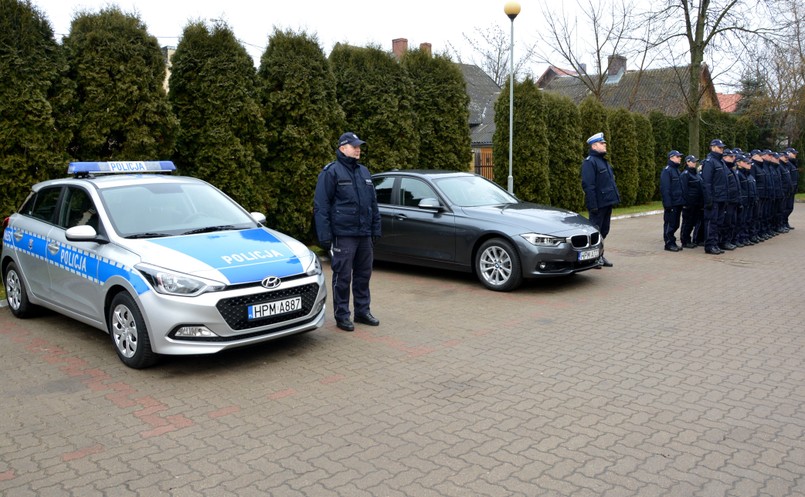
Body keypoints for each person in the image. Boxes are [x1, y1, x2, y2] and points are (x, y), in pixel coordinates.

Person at [313, 132, 381, 332]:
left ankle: (362, 311)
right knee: (342, 277)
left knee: (363, 275)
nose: (358, 149)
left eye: (359, 146)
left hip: (364, 234)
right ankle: (342, 315)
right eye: (354, 146)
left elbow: (373, 205)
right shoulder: (331, 172)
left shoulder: (364, 172)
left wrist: (375, 229)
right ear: (343, 148)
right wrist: (325, 236)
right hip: (343, 235)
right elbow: (321, 207)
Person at [581, 132, 620, 267]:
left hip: (607, 202)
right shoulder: (589, 162)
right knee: (595, 233)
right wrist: (593, 205)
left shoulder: (603, 161)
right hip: (598, 204)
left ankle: (599, 256)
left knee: (604, 230)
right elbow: (588, 185)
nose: (605, 145)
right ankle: (592, 258)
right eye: (602, 143)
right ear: (594, 145)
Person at [700, 139, 730, 254]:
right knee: (711, 222)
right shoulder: (710, 162)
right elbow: (706, 182)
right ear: (712, 147)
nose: (721, 149)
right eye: (719, 147)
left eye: (722, 147)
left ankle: (715, 243)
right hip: (714, 198)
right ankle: (709, 245)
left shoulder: (721, 162)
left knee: (718, 222)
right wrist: (709, 199)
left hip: (722, 198)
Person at [659, 150, 685, 251]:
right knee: (670, 223)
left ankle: (672, 241)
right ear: (671, 157)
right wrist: (668, 204)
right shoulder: (667, 170)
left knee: (675, 224)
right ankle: (669, 243)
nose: (680, 158)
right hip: (672, 203)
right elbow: (665, 188)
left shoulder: (676, 170)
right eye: (678, 157)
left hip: (678, 202)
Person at [679, 155, 704, 249]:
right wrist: (685, 203)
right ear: (687, 162)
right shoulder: (685, 174)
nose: (694, 163)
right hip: (689, 204)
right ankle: (685, 241)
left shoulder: (696, 174)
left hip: (696, 203)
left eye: (695, 161)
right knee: (687, 222)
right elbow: (684, 190)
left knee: (693, 222)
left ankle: (690, 239)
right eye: (692, 161)